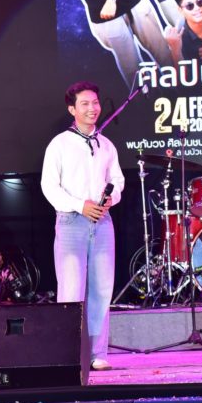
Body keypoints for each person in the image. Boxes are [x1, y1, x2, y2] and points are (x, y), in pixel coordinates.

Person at [41, 82, 124, 371]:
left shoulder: (106, 145)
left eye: (95, 103)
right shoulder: (60, 144)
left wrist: (111, 198)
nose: (92, 108)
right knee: (71, 289)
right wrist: (80, 205)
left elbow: (118, 180)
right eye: (85, 104)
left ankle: (97, 352)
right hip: (71, 222)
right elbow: (49, 186)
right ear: (72, 109)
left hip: (102, 222)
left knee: (101, 289)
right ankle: (69, 353)